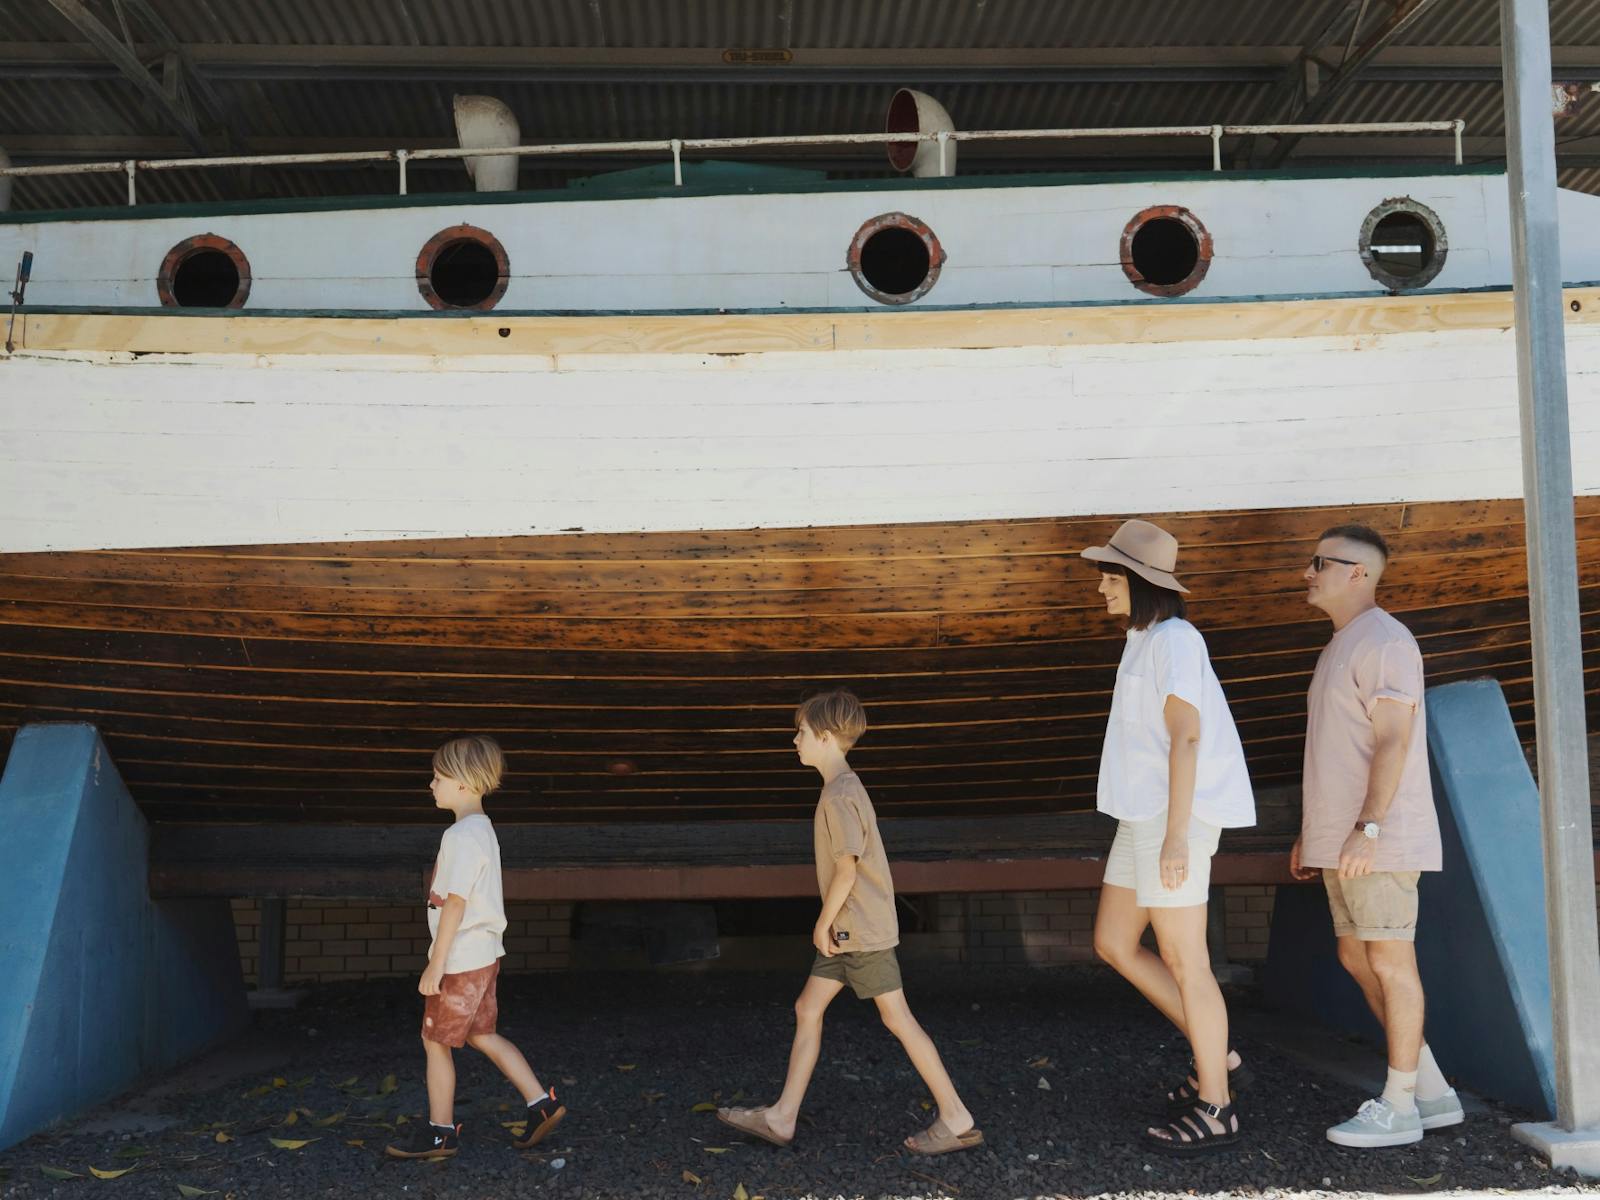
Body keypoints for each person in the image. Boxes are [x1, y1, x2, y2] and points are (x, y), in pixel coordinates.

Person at [717, 689, 982, 1156]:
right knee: (808, 1008)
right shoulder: (842, 787)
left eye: (800, 732)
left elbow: (848, 867)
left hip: (855, 930)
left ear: (823, 736)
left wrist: (823, 923)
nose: (794, 741)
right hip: (849, 929)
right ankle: (782, 1117)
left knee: (897, 1018)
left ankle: (956, 1115)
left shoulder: (840, 795)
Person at [1083, 519, 1256, 1155]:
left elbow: (1187, 736)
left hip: (1172, 818)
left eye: (1110, 576)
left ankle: (1217, 1107)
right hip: (1143, 814)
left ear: (1138, 580)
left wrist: (1178, 837)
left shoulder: (1177, 640)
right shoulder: (1143, 638)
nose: (1102, 587)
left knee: (1187, 960)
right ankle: (1221, 1059)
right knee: (1113, 942)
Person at [1291, 524, 1464, 1147]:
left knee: (1390, 961)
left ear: (1357, 572)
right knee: (1356, 956)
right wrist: (1315, 835)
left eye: (1319, 563)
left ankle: (1399, 1108)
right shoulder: (1342, 644)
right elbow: (1339, 751)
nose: (1307, 574)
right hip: (1343, 840)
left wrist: (1368, 828)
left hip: (1377, 840)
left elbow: (1393, 740)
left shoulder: (1387, 642)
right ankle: (1434, 1093)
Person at [386, 736, 567, 1160]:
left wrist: (436, 963)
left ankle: (440, 1133)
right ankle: (542, 1104)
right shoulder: (482, 831)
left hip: (461, 959)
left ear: (463, 784)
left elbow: (455, 902)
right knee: (482, 1034)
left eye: (438, 778)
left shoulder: (461, 835)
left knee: (436, 1042)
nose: (431, 785)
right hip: (484, 955)